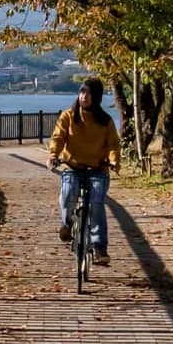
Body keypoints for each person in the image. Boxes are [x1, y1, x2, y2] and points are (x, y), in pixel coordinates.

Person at [49, 77, 121, 264]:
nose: (84, 97)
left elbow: (113, 144)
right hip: (72, 166)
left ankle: (99, 247)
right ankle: (67, 223)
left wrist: (114, 161)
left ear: (96, 97)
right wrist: (53, 155)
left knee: (96, 203)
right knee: (67, 194)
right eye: (82, 92)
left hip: (98, 168)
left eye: (88, 93)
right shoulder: (69, 116)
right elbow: (58, 138)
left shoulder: (105, 121)